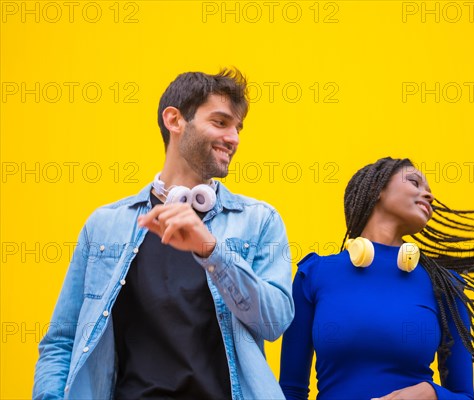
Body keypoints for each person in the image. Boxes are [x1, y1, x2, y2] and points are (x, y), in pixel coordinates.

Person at [33, 69, 294, 400]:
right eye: (220, 122)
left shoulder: (258, 221)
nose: (234, 138)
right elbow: (62, 340)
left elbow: (274, 322)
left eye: (238, 128)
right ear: (174, 120)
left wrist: (210, 250)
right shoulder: (105, 225)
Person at [279, 157, 474, 400]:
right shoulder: (314, 274)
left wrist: (432, 393)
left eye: (429, 190)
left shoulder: (444, 285)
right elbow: (291, 390)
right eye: (415, 183)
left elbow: (464, 396)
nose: (429, 196)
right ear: (378, 189)